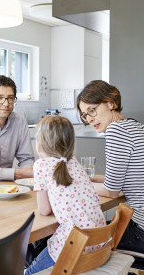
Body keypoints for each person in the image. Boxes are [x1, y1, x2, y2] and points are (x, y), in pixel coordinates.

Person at [76, 80, 144, 262]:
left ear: (110, 103)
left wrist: (75, 185)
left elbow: (112, 191)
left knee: (78, 242)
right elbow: (124, 180)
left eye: (92, 110)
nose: (89, 119)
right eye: (85, 115)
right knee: (91, 233)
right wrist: (89, 179)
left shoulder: (116, 131)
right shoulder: (135, 126)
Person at [25, 116, 106, 275]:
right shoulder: (74, 162)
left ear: (39, 145)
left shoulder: (41, 165)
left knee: (29, 272)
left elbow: (44, 210)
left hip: (74, 245)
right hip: (99, 242)